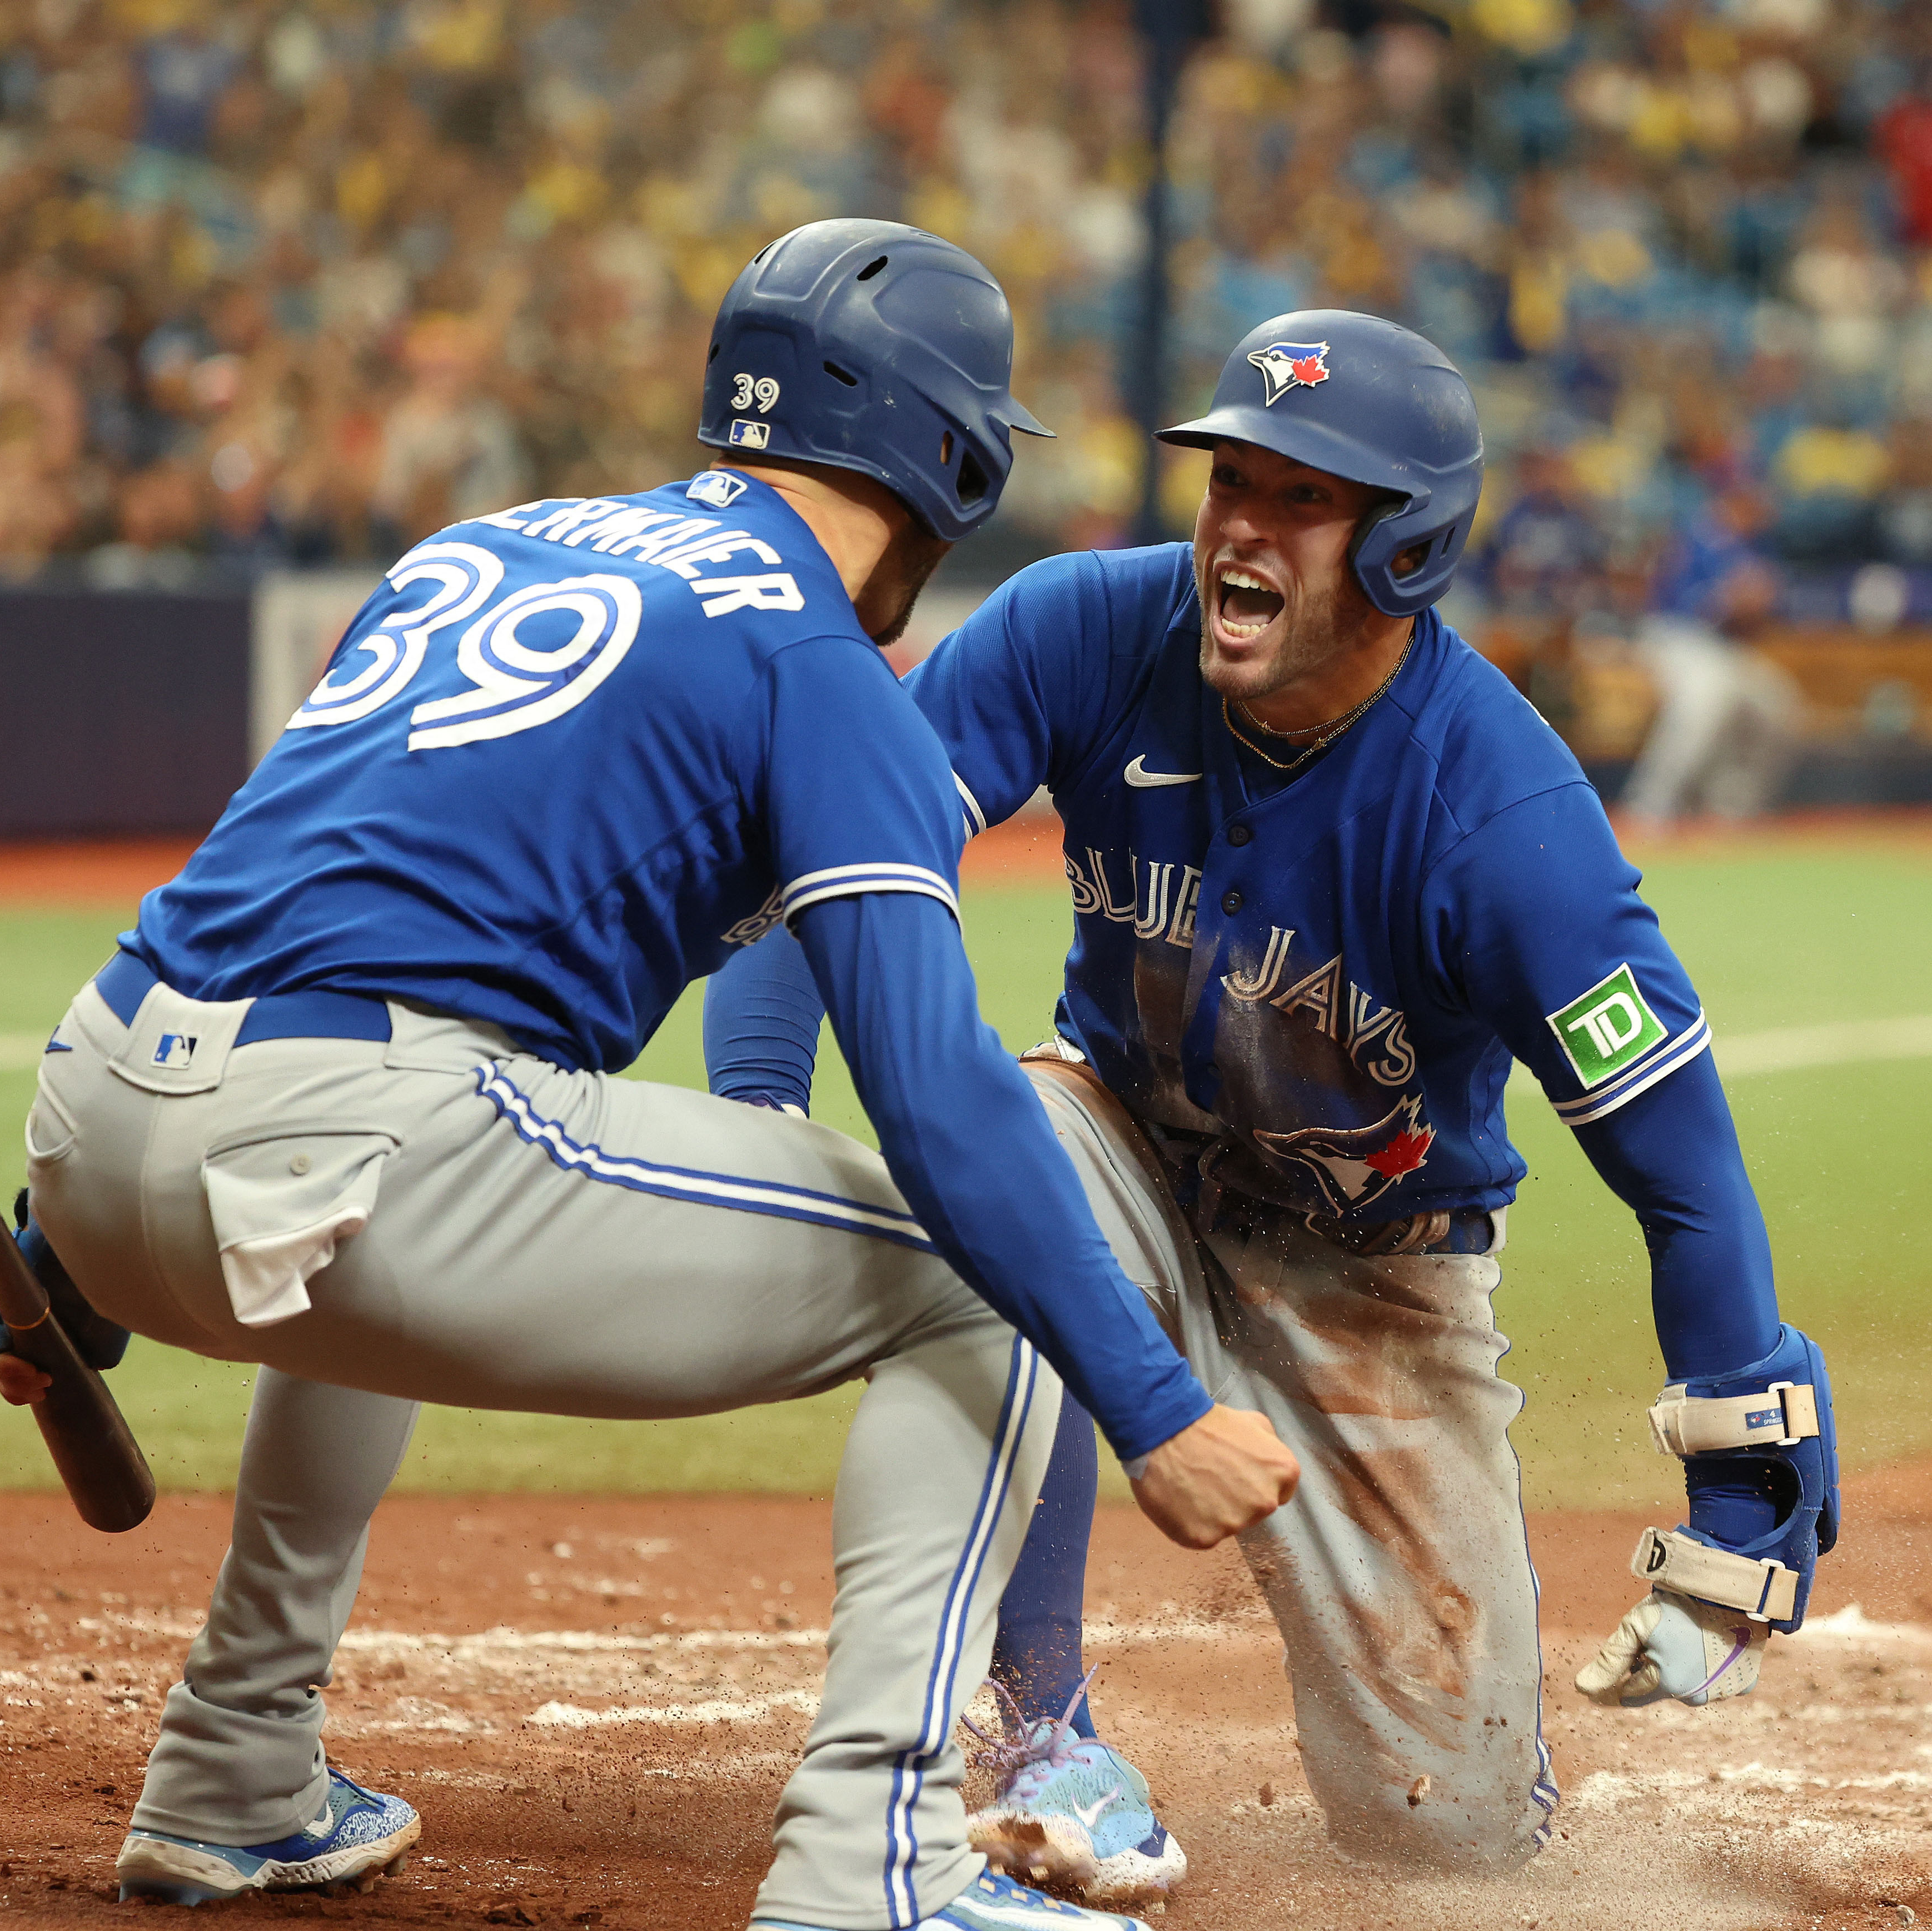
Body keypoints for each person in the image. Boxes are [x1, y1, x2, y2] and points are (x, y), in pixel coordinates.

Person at [0, 218, 1297, 1928]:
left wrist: (53, 1250)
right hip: (364, 1136)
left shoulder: (486, 550)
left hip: (94, 1112)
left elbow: (277, 885)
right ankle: (870, 1870)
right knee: (998, 1276)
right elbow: (942, 1095)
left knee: (360, 1211)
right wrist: (1157, 1405)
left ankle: (233, 1771)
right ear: (952, 455)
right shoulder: (817, 658)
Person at [704, 312, 1836, 1903]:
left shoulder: (1506, 822)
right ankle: (1037, 1732)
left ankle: (1481, 1751)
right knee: (992, 1149)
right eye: (1231, 477)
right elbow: (821, 867)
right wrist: (758, 1109)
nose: (1240, 522)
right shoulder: (1084, 631)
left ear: (1408, 547)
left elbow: (1685, 1170)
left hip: (1375, 1271)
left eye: (1303, 496)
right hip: (1123, 1150)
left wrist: (1741, 1482)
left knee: (1441, 1831)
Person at [1619, 479, 1804, 829]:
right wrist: (1726, 601)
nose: (1758, 511)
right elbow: (1678, 601)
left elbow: (1761, 615)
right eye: (1748, 502)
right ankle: (1650, 808)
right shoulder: (1696, 538)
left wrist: (1754, 605)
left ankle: (1730, 809)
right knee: (1707, 698)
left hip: (1724, 648)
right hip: (1675, 637)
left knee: (1777, 706)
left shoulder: (1755, 546)